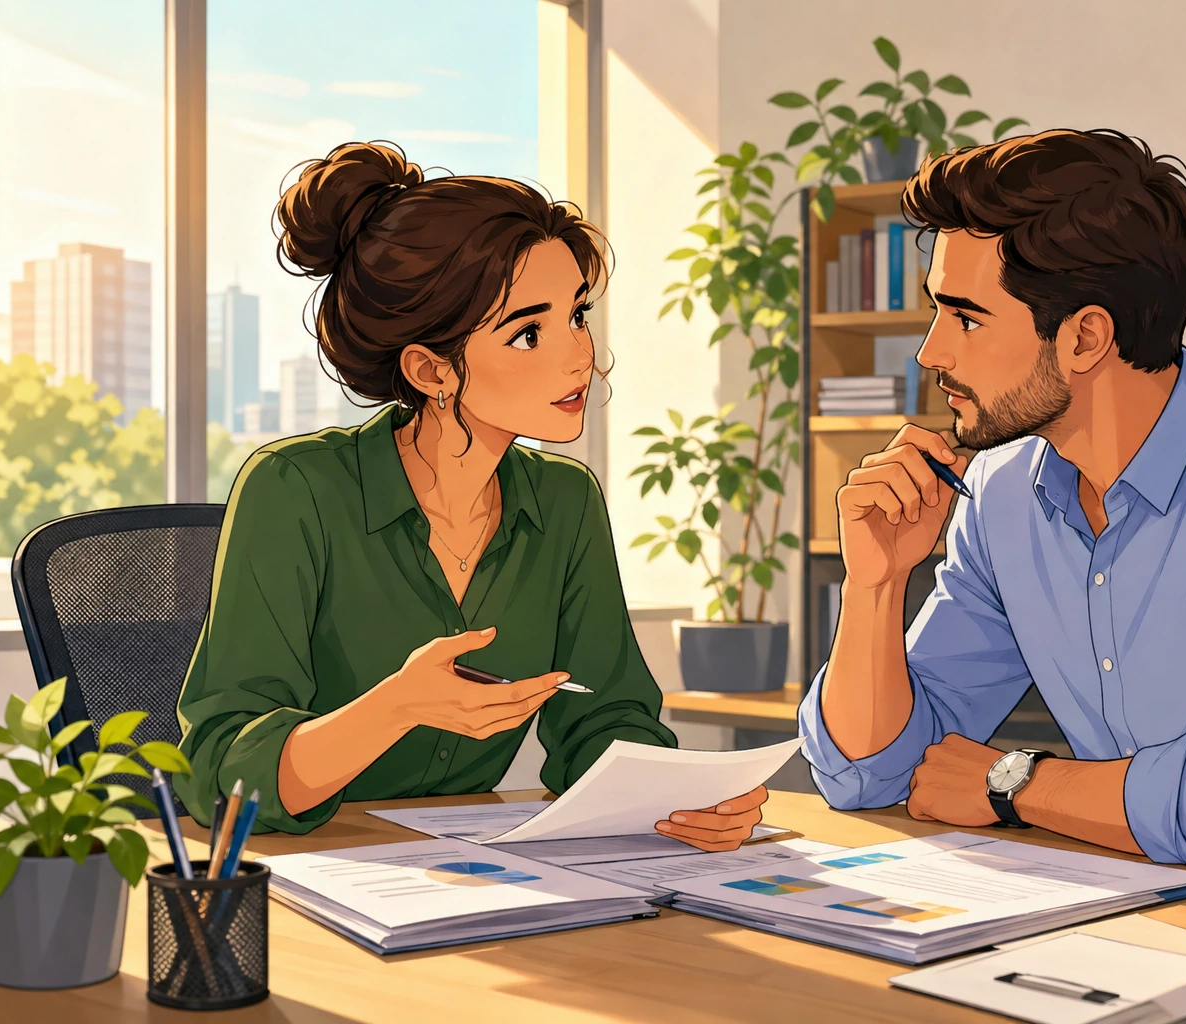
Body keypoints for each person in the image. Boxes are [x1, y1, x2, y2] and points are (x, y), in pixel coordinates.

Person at [798, 129, 1186, 875]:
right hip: (1126, 894)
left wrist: (1016, 784)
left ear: (1086, 338)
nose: (930, 352)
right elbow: (872, 774)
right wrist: (875, 586)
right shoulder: (1002, 494)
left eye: (966, 318)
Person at [176, 141, 766, 848]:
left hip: (480, 867)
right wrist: (395, 707)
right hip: (305, 867)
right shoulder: (295, 488)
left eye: (577, 316)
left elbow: (605, 719)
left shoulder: (565, 499)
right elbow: (223, 773)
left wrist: (674, 800)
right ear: (431, 370)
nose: (581, 353)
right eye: (528, 334)